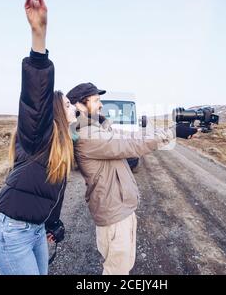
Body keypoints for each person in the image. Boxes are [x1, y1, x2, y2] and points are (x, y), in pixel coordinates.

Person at [0, 0, 77, 275]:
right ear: (55, 114)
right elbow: (35, 99)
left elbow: (50, 190)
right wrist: (39, 37)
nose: (73, 107)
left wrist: (52, 223)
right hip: (13, 234)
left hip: (35, 231)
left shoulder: (61, 145)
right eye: (67, 104)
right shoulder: (39, 134)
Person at [66, 83, 174, 275]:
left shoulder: (98, 128)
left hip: (121, 209)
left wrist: (171, 128)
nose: (101, 105)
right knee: (116, 271)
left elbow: (133, 135)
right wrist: (172, 134)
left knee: (123, 266)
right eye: (96, 101)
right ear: (80, 106)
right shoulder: (87, 135)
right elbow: (132, 144)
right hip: (113, 213)